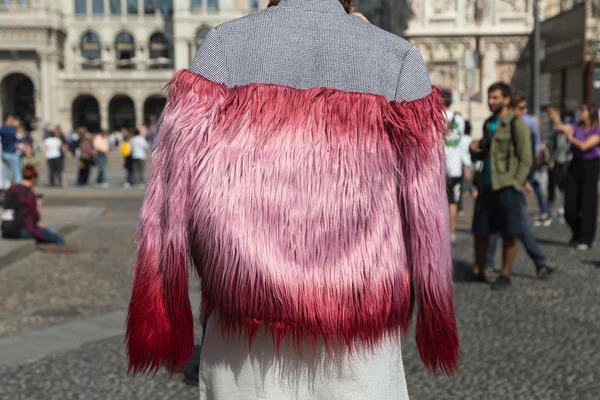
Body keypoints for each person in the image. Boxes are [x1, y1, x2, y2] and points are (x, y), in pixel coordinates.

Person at [125, 0, 460, 398]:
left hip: (244, 328)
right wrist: (435, 313)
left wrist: (160, 310)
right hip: (358, 330)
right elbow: (427, 211)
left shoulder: (223, 48)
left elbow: (169, 194)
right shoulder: (397, 57)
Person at [484, 94, 555, 280]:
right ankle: (537, 263)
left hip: (514, 182)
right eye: (521, 108)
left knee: (516, 226)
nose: (524, 112)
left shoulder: (524, 123)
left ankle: (535, 263)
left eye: (525, 108)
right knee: (506, 226)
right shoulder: (503, 124)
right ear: (512, 107)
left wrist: (521, 181)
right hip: (505, 182)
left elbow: (527, 155)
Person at [469, 82, 533, 290]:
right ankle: (479, 268)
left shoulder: (517, 124)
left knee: (509, 231)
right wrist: (474, 150)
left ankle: (505, 273)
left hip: (507, 185)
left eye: (495, 98)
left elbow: (526, 158)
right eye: (489, 97)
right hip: (487, 185)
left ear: (506, 100)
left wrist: (516, 183)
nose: (490, 101)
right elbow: (485, 155)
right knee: (480, 230)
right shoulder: (488, 124)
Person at [555, 103, 600, 251]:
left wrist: (570, 138)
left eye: (583, 110)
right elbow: (561, 128)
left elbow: (584, 146)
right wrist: (561, 126)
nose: (580, 112)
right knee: (570, 206)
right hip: (576, 164)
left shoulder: (597, 129)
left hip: (591, 165)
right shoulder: (576, 126)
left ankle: (586, 238)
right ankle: (577, 233)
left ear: (591, 112)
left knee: (588, 202)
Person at [1, 164, 76, 252]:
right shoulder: (29, 195)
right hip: (20, 230)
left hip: (6, 229)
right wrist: (38, 205)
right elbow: (35, 218)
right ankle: (59, 248)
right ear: (34, 179)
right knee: (56, 238)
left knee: (41, 233)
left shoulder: (12, 189)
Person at [441, 89, 469, 245]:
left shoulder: (437, 117)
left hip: (440, 167)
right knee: (453, 202)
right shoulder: (460, 119)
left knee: (440, 201)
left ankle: (442, 232)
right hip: (456, 166)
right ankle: (451, 233)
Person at [546, 104, 569, 223]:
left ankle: (559, 209)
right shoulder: (555, 126)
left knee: (558, 186)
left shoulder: (559, 127)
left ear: (556, 112)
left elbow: (560, 146)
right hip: (558, 160)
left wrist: (552, 160)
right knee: (556, 186)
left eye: (550, 113)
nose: (548, 116)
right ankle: (557, 209)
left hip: (559, 161)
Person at [0, 113, 23, 185]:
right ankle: (18, 188)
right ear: (8, 120)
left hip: (4, 152)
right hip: (12, 152)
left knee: (5, 172)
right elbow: (16, 140)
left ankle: (5, 187)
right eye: (11, 119)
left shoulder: (1, 129)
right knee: (17, 172)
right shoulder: (11, 129)